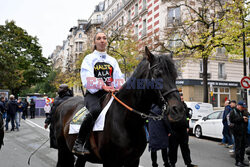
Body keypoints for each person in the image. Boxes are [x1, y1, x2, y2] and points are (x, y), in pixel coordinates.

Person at [72, 31, 124, 155]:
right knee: (95, 111)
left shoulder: (112, 60)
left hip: (111, 93)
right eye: (99, 38)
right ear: (95, 42)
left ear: (106, 42)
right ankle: (79, 143)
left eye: (104, 38)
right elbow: (87, 78)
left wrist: (119, 87)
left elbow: (119, 77)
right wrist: (103, 86)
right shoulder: (89, 58)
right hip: (94, 94)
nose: (102, 40)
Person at [169, 93, 197, 167]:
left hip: (183, 130)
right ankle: (172, 163)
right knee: (173, 148)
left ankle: (188, 163)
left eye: (182, 97)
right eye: (180, 97)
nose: (182, 98)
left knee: (185, 147)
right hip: (174, 130)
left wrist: (187, 127)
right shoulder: (173, 106)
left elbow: (187, 117)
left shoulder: (185, 106)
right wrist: (169, 130)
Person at [44, 84, 73, 149]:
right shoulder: (56, 98)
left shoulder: (70, 99)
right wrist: (47, 122)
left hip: (63, 124)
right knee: (55, 141)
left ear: (65, 90)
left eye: (61, 88)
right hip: (54, 124)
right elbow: (52, 111)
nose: (59, 89)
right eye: (59, 88)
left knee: (63, 144)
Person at [229, 100, 248, 167]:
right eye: (242, 107)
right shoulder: (233, 111)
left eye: (244, 107)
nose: (243, 108)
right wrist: (242, 119)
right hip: (237, 133)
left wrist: (245, 120)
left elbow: (245, 120)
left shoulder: (243, 112)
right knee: (238, 148)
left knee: (243, 148)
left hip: (243, 132)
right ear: (238, 106)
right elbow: (232, 120)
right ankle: (237, 162)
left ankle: (242, 161)